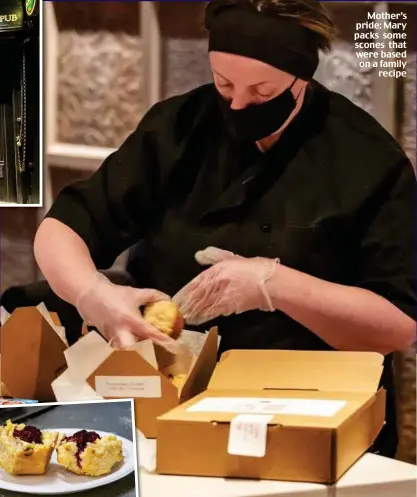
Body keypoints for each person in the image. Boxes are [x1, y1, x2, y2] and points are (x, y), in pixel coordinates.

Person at [33, 0, 415, 458]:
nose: (237, 105)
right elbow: (62, 228)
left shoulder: (366, 158)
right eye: (224, 83)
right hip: (174, 402)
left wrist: (271, 284)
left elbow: (399, 324)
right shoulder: (177, 128)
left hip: (312, 413)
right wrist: (92, 293)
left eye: (262, 92)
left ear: (304, 77)